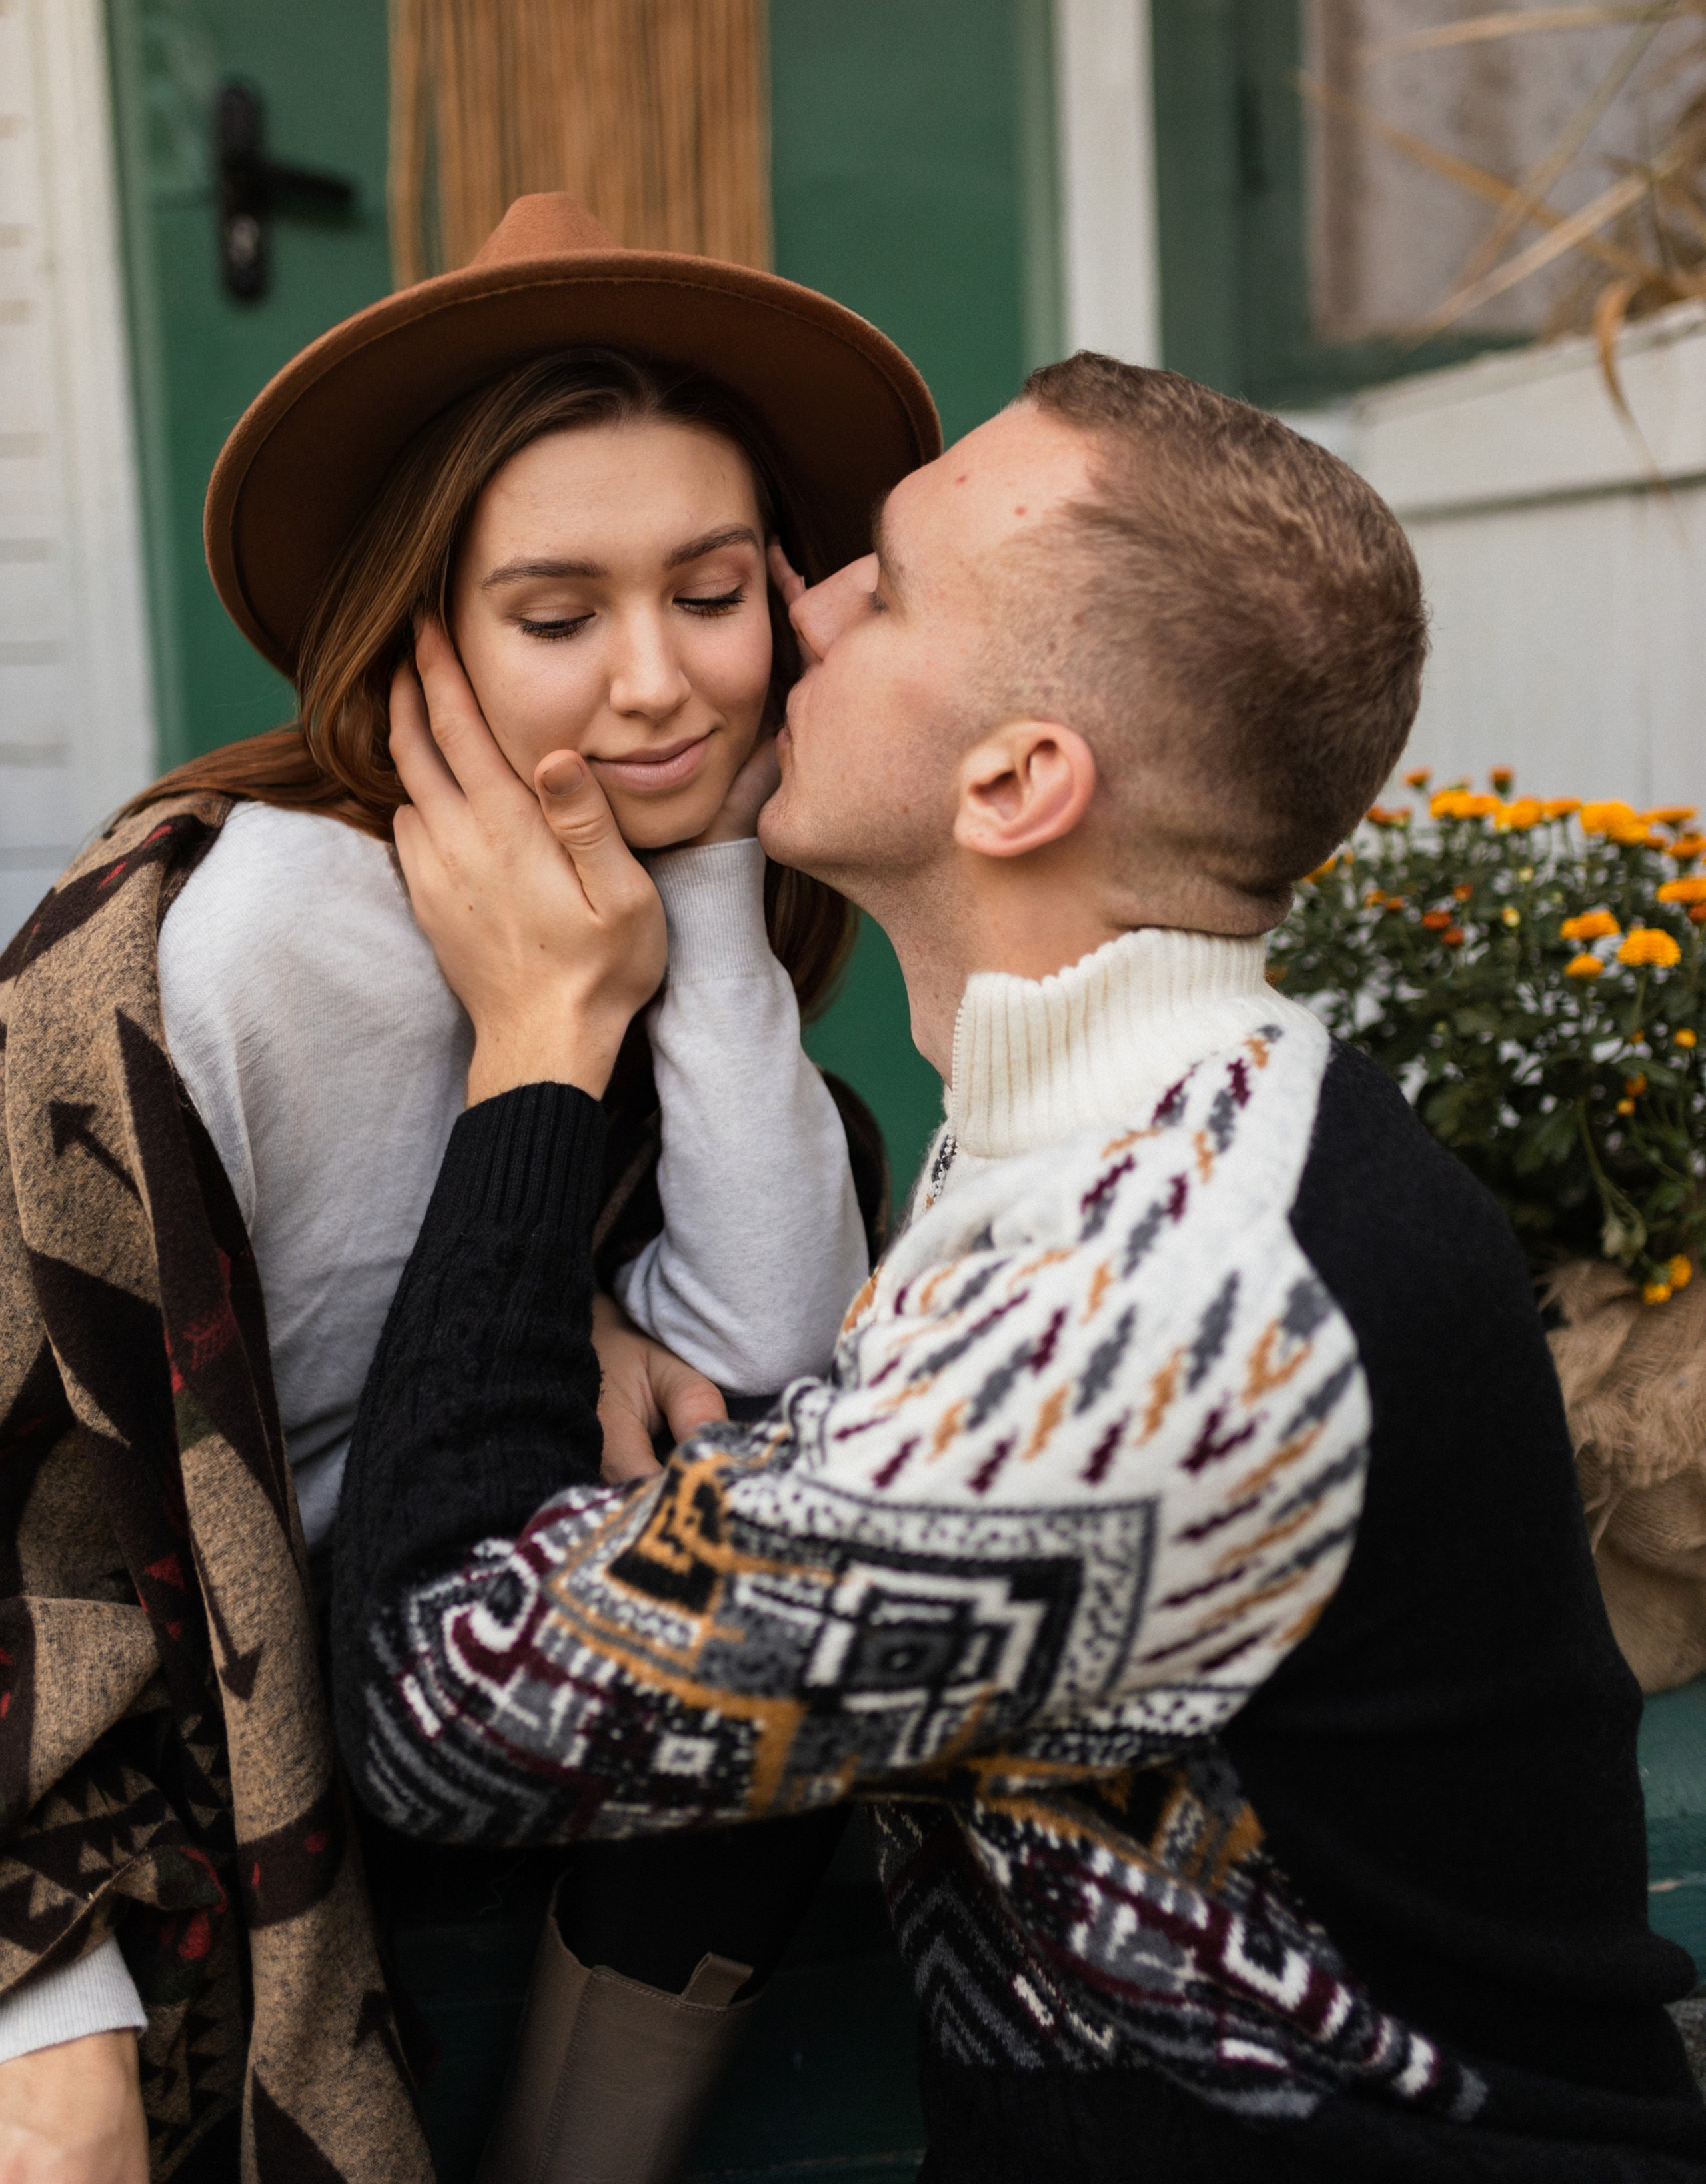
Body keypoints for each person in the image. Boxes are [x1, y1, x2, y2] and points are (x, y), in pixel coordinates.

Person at [335, 351, 1706, 2181]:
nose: (806, 610)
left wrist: (536, 1044)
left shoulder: (1176, 1311)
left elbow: (446, 1704)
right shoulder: (1120, 1134)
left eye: (888, 588)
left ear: (1015, 783)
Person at [0, 194, 938, 2180]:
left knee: (774, 1608)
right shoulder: (261, 940)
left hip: (455, 1667)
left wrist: (706, 894)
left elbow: (773, 1361)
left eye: (711, 594)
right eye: (557, 619)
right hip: (164, 1689)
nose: (657, 683)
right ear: (418, 637)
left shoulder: (678, 900)